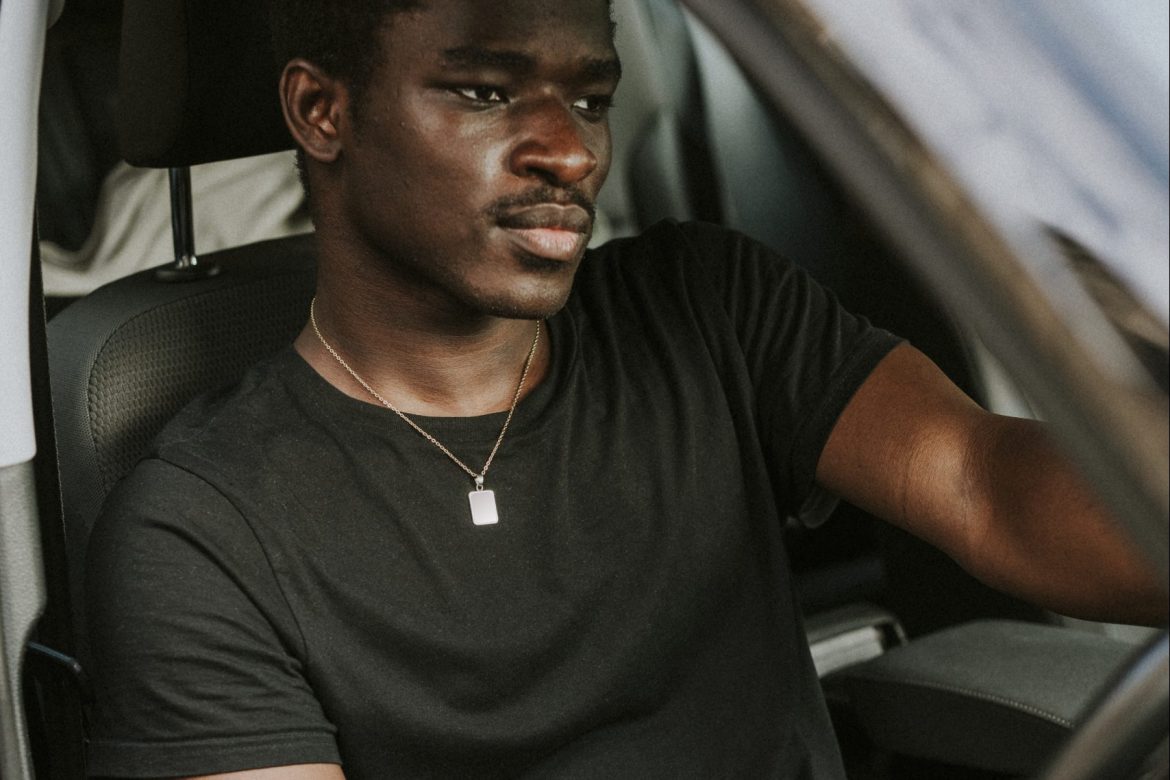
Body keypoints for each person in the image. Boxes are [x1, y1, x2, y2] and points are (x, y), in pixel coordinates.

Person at [82, 1, 1166, 778]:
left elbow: (982, 482)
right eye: (484, 90)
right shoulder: (199, 533)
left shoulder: (705, 305)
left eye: (591, 97)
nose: (569, 150)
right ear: (322, 111)